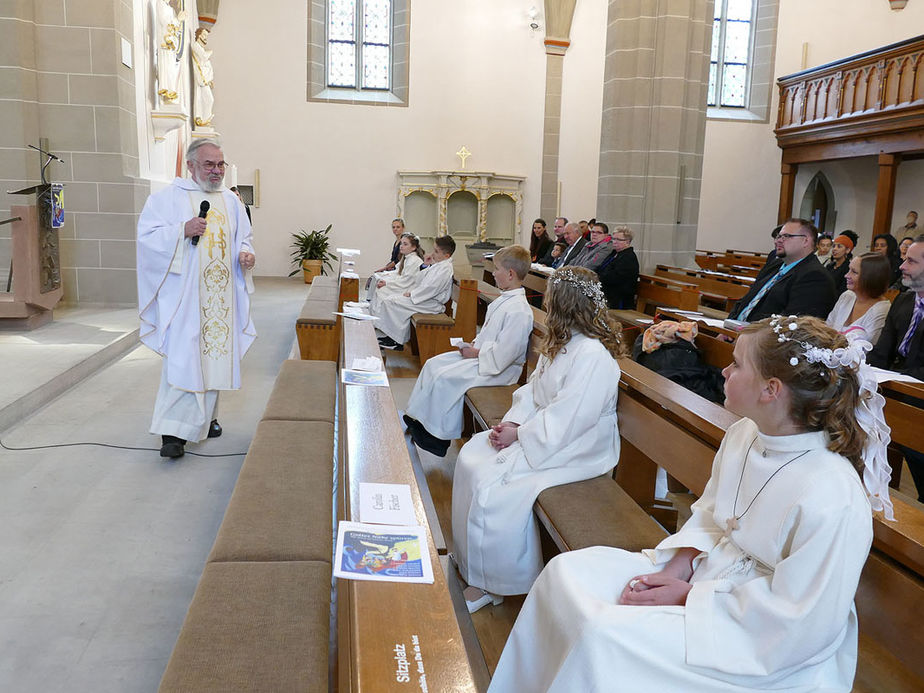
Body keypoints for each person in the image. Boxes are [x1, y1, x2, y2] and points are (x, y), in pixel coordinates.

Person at [490, 315, 893, 692]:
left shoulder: (833, 493)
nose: (724, 372)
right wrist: (680, 566)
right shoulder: (744, 434)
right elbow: (711, 514)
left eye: (737, 365)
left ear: (771, 390)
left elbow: (801, 621)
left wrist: (688, 596)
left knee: (604, 635)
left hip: (762, 637)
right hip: (708, 571)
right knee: (566, 574)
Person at [452, 267, 625, 612]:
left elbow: (571, 417)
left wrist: (521, 434)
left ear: (563, 304)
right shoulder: (562, 343)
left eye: (548, 298)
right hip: (543, 432)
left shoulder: (591, 356)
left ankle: (494, 582)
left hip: (578, 447)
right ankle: (471, 562)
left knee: (495, 490)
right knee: (472, 456)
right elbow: (533, 391)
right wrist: (513, 421)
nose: (543, 303)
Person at [137, 138, 256, 459]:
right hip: (185, 297)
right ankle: (172, 433)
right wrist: (181, 230)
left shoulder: (232, 202)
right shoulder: (166, 199)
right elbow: (146, 239)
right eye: (209, 164)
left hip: (221, 296)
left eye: (220, 164)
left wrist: (246, 254)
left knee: (214, 355)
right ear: (190, 166)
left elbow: (244, 238)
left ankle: (207, 419)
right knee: (184, 359)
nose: (216, 171)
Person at [402, 245, 534, 456]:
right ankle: (418, 417)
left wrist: (477, 352)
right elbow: (488, 334)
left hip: (500, 370)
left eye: (497, 269)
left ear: (510, 274)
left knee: (446, 377)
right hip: (484, 358)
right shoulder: (505, 300)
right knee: (433, 364)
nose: (493, 272)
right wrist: (474, 345)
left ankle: (437, 437)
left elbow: (505, 354)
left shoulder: (519, 310)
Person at [869, 235, 924, 501]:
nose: (901, 266)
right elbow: (882, 351)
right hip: (895, 387)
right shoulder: (903, 301)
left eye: (911, 261)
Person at [728, 218, 836, 322]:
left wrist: (745, 335)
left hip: (761, 338)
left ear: (805, 241)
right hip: (737, 332)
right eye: (779, 236)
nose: (778, 241)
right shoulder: (775, 265)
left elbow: (792, 324)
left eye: (786, 236)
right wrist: (728, 325)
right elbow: (747, 299)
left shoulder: (815, 276)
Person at [375, 235, 456, 350]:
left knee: (391, 302)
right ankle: (393, 337)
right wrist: (425, 265)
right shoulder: (439, 265)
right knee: (391, 300)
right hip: (424, 299)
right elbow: (421, 279)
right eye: (433, 249)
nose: (432, 254)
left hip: (430, 304)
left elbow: (431, 288)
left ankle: (396, 340)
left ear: (446, 255)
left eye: (436, 251)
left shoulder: (445, 268)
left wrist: (412, 294)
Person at [826, 252, 892, 343]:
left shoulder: (881, 309)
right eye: (849, 270)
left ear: (871, 277)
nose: (846, 275)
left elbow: (867, 348)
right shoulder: (847, 296)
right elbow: (827, 329)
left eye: (854, 272)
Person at [366, 232, 424, 303]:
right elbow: (398, 271)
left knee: (382, 289)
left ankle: (378, 312)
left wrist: (387, 283)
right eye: (401, 243)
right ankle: (371, 303)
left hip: (407, 288)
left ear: (413, 247)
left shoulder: (414, 260)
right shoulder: (407, 257)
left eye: (405, 244)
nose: (401, 246)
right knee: (377, 277)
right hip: (402, 283)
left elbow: (406, 281)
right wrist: (385, 275)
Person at [596, 225, 639, 309]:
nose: (614, 242)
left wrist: (598, 278)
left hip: (619, 298)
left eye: (618, 239)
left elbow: (615, 278)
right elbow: (602, 269)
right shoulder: (614, 253)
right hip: (607, 292)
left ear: (627, 241)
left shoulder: (628, 257)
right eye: (613, 238)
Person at [190, 28, 215, 127]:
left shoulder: (200, 47)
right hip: (201, 79)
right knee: (209, 99)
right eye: (204, 35)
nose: (205, 38)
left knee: (208, 99)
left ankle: (204, 120)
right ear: (199, 35)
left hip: (205, 79)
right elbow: (204, 57)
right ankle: (203, 120)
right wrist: (210, 52)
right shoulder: (196, 46)